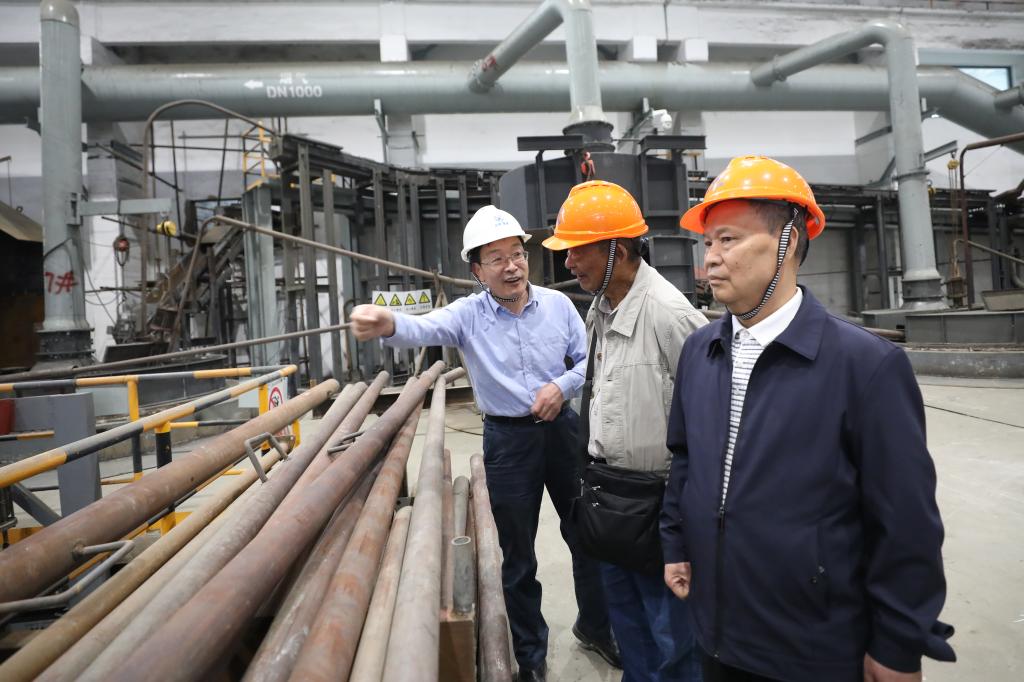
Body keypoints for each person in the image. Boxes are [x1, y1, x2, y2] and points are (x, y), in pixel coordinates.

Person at [661, 155, 956, 682]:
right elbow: (685, 461)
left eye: (727, 240)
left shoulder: (866, 366)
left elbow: (905, 522)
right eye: (706, 244)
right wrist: (677, 544)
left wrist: (898, 644)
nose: (709, 261)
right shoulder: (700, 351)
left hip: (811, 645)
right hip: (716, 629)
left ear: (787, 241)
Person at [349, 204, 617, 682]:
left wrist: (562, 388)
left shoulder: (558, 306)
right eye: (496, 258)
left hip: (563, 432)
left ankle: (596, 626)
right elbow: (423, 327)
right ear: (477, 270)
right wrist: (386, 322)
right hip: (508, 442)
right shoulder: (467, 316)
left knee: (587, 535)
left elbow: (588, 362)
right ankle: (531, 656)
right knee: (517, 554)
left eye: (517, 254)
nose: (512, 266)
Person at [542, 180, 706, 682]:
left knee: (672, 640)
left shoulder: (670, 316)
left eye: (578, 250)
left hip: (659, 507)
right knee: (630, 628)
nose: (568, 262)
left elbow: (707, 422)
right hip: (610, 500)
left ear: (617, 250)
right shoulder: (600, 308)